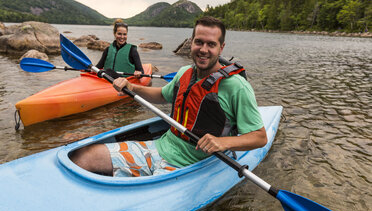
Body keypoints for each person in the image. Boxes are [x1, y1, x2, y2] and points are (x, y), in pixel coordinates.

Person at [70, 16, 267, 177]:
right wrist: (132, 87)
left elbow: (259, 137)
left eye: (211, 44)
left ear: (221, 48)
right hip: (159, 148)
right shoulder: (184, 73)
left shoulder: (237, 87)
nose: (203, 49)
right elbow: (162, 96)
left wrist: (224, 143)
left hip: (190, 165)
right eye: (199, 42)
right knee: (84, 156)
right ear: (191, 43)